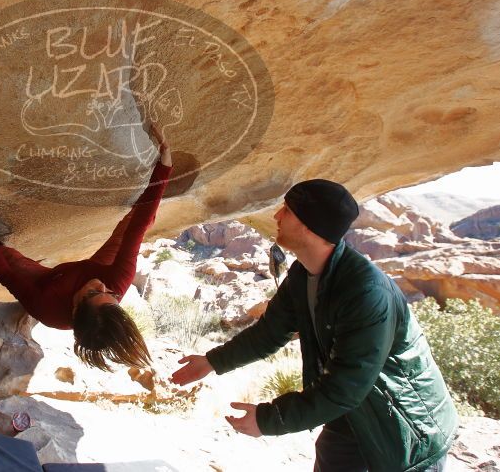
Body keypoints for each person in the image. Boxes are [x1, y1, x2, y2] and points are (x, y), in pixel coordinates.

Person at [170, 179, 457, 471]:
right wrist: (211, 362)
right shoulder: (303, 274)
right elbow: (269, 333)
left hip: (401, 429)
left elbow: (345, 387)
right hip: (349, 417)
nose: (276, 216)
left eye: (288, 211)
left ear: (310, 225)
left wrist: (269, 419)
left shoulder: (365, 292)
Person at [0, 128, 172, 371]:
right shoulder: (114, 282)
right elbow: (136, 228)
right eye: (113, 297)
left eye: (94, 294)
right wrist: (164, 167)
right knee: (138, 220)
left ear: (74, 310)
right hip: (102, 265)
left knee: (8, 258)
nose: (102, 286)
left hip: (48, 281)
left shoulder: (47, 308)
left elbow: (7, 276)